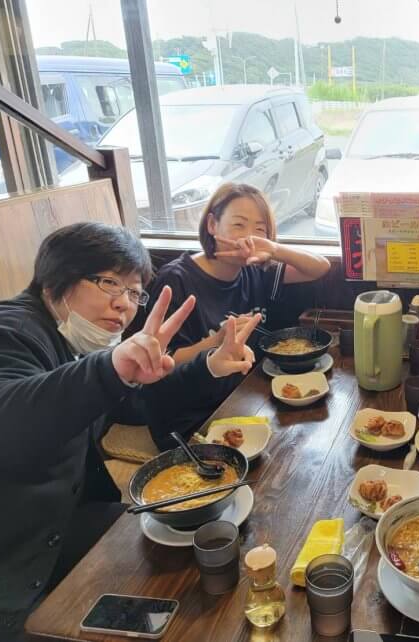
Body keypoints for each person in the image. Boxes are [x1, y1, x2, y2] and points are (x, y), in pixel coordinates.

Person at [0, 222, 259, 641]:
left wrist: (208, 364)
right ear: (55, 282)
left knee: (208, 553)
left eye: (135, 293)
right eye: (108, 283)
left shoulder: (76, 342)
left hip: (65, 524)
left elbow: (135, 402)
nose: (125, 306)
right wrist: (109, 369)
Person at [131, 183, 331, 446]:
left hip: (243, 397)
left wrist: (274, 249)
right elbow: (159, 364)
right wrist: (217, 341)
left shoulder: (255, 269)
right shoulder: (176, 279)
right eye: (239, 225)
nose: (249, 237)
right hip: (191, 417)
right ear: (212, 225)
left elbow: (320, 268)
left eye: (259, 229)